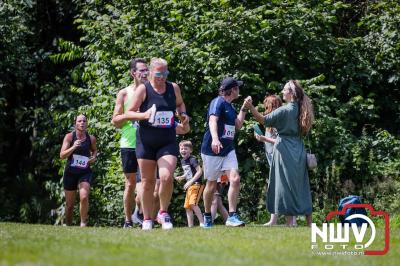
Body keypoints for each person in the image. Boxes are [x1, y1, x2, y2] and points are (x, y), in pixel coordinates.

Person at [116, 58, 189, 230]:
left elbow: (180, 104)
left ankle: (163, 212)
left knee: (166, 176)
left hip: (167, 140)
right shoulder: (143, 89)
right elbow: (130, 112)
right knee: (148, 182)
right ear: (150, 73)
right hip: (146, 142)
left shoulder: (173, 88)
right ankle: (147, 219)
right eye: (158, 74)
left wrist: (183, 114)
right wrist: (145, 115)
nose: (162, 77)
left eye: (165, 73)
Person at [244, 80, 314, 226]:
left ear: (291, 93)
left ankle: (290, 222)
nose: (282, 92)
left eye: (284, 90)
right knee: (301, 185)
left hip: (285, 149)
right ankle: (309, 223)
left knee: (286, 186)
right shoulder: (302, 108)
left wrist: (250, 107)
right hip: (299, 149)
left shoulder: (285, 110)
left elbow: (263, 120)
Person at [201, 77, 248, 228]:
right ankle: (207, 215)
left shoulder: (231, 106)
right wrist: (215, 139)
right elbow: (212, 121)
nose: (239, 90)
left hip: (228, 149)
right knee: (211, 184)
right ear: (233, 89)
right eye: (238, 87)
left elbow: (238, 125)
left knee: (235, 179)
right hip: (212, 150)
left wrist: (244, 108)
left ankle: (232, 216)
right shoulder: (218, 102)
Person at [111, 58, 148, 228]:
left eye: (146, 69)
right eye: (141, 70)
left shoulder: (152, 91)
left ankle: (139, 213)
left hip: (148, 143)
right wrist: (132, 114)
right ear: (133, 73)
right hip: (129, 144)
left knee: (146, 183)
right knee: (130, 184)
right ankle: (127, 220)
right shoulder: (124, 93)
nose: (145, 73)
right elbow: (115, 121)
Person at [60, 114, 97, 227]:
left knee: (84, 196)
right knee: (70, 205)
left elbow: (94, 151)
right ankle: (68, 225)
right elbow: (62, 155)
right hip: (70, 172)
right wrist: (73, 147)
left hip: (84, 172)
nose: (82, 123)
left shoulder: (91, 138)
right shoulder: (69, 137)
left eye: (84, 121)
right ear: (75, 123)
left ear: (87, 123)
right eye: (79, 121)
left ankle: (83, 224)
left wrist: (94, 158)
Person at [175, 140, 204, 227]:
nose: (183, 150)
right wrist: (182, 177)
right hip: (189, 186)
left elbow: (199, 172)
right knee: (187, 207)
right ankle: (190, 226)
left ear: (190, 150)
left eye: (185, 149)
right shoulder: (183, 161)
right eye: (181, 148)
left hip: (196, 184)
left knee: (193, 204)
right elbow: (189, 173)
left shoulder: (192, 159)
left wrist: (190, 181)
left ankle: (202, 223)